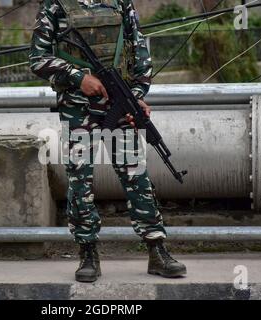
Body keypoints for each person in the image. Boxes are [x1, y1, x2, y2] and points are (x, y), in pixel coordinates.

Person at [29, 0, 186, 282]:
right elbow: (38, 59)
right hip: (78, 108)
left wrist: (136, 96)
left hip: (119, 103)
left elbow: (140, 53)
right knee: (80, 179)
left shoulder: (120, 3)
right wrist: (78, 78)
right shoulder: (56, 5)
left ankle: (157, 248)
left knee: (136, 175)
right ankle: (87, 251)